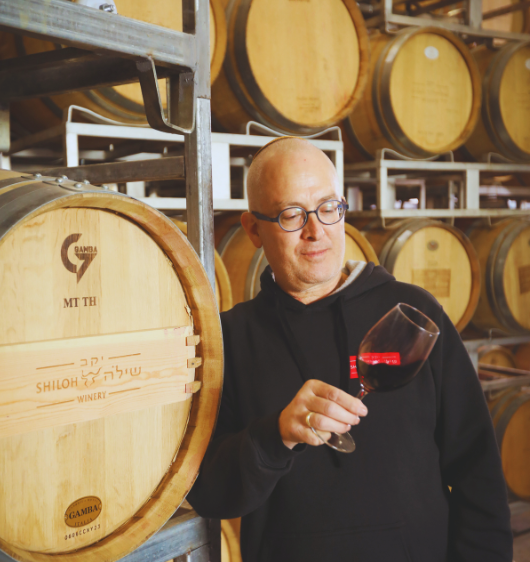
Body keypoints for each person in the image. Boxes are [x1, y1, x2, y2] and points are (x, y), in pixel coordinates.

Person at [186, 137, 512, 561]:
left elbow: (477, 470)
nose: (315, 231)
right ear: (253, 230)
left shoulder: (412, 312)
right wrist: (275, 434)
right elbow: (210, 493)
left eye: (327, 208)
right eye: (291, 215)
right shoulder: (231, 337)